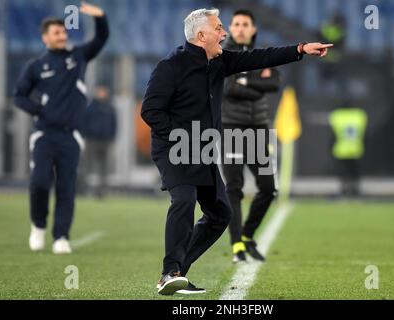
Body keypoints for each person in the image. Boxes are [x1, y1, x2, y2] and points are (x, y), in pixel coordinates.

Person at [141, 8, 332, 295]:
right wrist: (180, 138)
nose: (225, 33)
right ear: (201, 35)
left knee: (220, 214)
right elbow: (150, 111)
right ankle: (171, 271)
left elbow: (261, 57)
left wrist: (301, 49)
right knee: (184, 199)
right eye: (219, 28)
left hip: (202, 150)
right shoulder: (170, 66)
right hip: (175, 148)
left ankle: (177, 271)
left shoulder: (219, 62)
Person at [13, 2, 109, 254]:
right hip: (44, 134)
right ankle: (38, 226)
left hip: (71, 136)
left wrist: (100, 18)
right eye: (56, 32)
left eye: (63, 31)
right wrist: (39, 109)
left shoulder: (77, 56)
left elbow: (101, 39)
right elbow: (19, 96)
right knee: (39, 183)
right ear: (45, 37)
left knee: (67, 187)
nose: (62, 35)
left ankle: (61, 237)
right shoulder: (36, 66)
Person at [221, 10, 280, 263]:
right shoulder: (223, 56)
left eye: (246, 24)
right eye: (236, 24)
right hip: (232, 128)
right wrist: (255, 82)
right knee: (234, 188)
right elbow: (229, 88)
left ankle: (247, 235)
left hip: (258, 129)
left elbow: (274, 84)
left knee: (268, 188)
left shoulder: (263, 55)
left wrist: (246, 82)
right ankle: (236, 247)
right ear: (231, 28)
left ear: (253, 29)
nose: (241, 28)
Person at [81, 85, 117, 198]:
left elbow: (114, 124)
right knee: (88, 166)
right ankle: (84, 189)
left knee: (104, 169)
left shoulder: (110, 107)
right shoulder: (91, 107)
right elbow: (84, 121)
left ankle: (102, 192)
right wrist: (87, 134)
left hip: (105, 141)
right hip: (92, 140)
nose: (102, 93)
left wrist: (111, 136)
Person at [329, 104, 368, 197]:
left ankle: (347, 190)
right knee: (352, 172)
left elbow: (333, 135)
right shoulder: (359, 116)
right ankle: (352, 190)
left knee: (346, 172)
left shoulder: (337, 116)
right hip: (355, 149)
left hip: (343, 149)